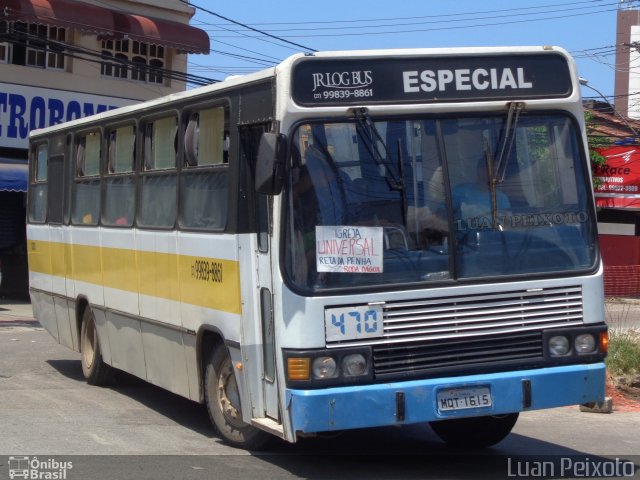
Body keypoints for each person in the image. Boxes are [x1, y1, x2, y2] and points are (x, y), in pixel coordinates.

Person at [451, 158, 510, 233]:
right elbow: (442, 214)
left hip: (493, 241)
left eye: (496, 171)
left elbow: (507, 225)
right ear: (479, 170)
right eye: (490, 169)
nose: (494, 173)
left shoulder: (502, 197)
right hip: (462, 241)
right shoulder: (460, 191)